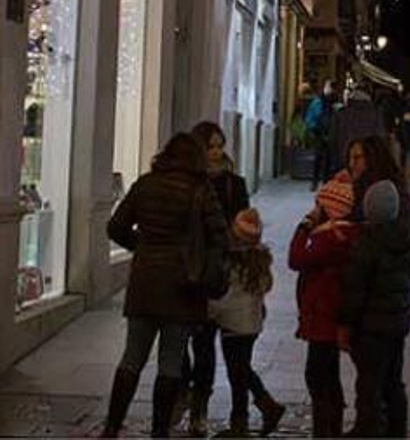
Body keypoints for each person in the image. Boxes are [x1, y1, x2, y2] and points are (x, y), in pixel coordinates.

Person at [102, 133, 228, 439]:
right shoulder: (201, 190)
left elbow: (115, 226)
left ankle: (112, 427)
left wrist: (142, 246)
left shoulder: (146, 184)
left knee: (132, 356)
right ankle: (160, 431)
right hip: (183, 285)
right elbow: (220, 235)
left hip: (145, 281)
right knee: (171, 361)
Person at [186, 120, 252, 435]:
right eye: (210, 146)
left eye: (219, 145)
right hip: (200, 275)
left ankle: (242, 415)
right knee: (202, 346)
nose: (215, 152)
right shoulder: (190, 184)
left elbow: (247, 228)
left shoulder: (234, 184)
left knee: (236, 350)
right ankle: (199, 408)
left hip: (230, 274)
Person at [339, 180, 410, 438]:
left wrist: (346, 324)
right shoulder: (403, 238)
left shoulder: (367, 244)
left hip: (371, 327)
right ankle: (396, 431)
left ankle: (368, 430)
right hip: (396, 324)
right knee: (394, 382)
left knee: (369, 385)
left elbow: (355, 290)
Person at [291, 173, 361, 438]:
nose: (315, 209)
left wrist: (304, 226)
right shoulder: (348, 234)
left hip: (323, 317)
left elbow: (296, 258)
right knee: (329, 375)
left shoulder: (330, 237)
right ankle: (331, 427)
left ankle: (325, 431)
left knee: (317, 376)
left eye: (319, 205)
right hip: (330, 314)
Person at [207, 208, 286, 437]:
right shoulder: (259, 260)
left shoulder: (232, 263)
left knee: (237, 373)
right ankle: (262, 407)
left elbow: (224, 299)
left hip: (233, 325)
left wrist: (209, 312)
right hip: (252, 324)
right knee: (242, 368)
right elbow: (265, 288)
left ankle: (244, 419)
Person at [332, 87, 383, 173]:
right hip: (368, 156)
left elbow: (333, 137)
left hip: (345, 156)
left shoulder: (341, 114)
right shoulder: (375, 113)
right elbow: (380, 135)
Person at [307, 83, 337, 191]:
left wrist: (313, 128)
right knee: (324, 158)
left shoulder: (317, 103)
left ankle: (318, 182)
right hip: (323, 133)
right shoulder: (330, 104)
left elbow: (309, 118)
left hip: (321, 133)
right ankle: (322, 181)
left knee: (321, 158)